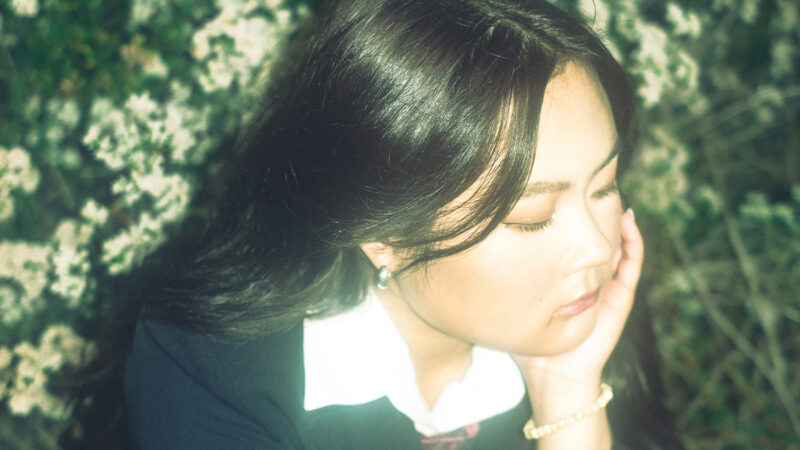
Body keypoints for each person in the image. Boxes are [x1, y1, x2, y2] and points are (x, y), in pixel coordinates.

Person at [63, 0, 683, 448]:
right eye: (532, 218)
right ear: (384, 233)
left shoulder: (582, 325)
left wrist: (569, 398)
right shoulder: (216, 372)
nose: (596, 246)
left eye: (605, 186)